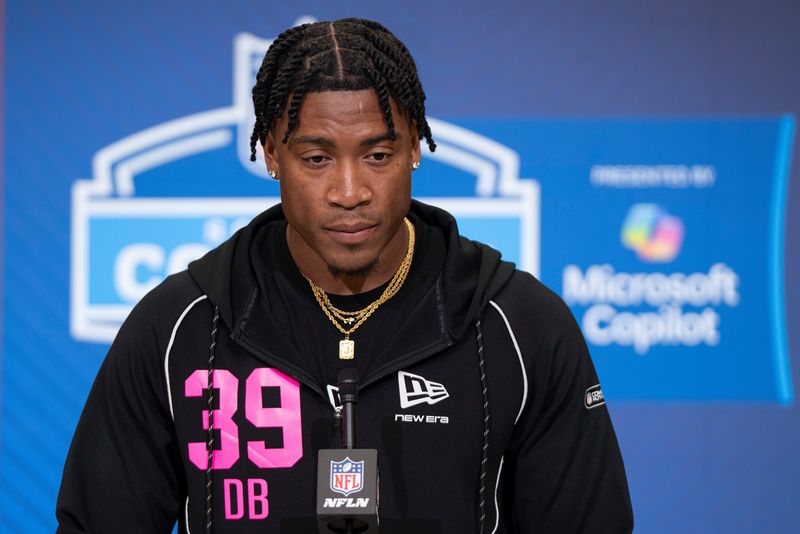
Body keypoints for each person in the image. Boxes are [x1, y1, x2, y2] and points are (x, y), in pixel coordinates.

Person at [57, 18, 633, 534]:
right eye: (317, 159)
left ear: (414, 149)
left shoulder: (521, 324)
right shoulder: (177, 327)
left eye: (378, 155)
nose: (350, 192)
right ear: (271, 154)